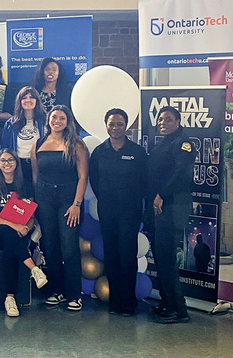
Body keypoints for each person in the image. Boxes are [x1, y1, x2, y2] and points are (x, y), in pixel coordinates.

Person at [88, 108, 148, 316]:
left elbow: (144, 182)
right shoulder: (99, 152)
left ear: (127, 126)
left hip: (130, 211)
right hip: (108, 210)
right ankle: (115, 301)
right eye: (111, 124)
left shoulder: (137, 152)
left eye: (120, 124)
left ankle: (128, 303)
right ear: (106, 125)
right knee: (111, 254)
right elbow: (94, 179)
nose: (115, 128)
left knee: (127, 255)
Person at [32, 105, 88, 311]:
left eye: (61, 118)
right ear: (48, 120)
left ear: (68, 121)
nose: (57, 120)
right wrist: (37, 203)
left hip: (68, 199)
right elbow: (36, 175)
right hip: (45, 197)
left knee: (69, 245)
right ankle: (57, 291)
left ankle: (74, 294)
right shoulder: (38, 143)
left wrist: (77, 204)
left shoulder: (77, 144)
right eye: (54, 117)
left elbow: (83, 177)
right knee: (50, 245)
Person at [0, 149, 48, 317]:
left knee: (12, 246)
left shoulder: (24, 186)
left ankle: (10, 299)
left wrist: (27, 227)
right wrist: (13, 225)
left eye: (10, 160)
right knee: (9, 233)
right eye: (3, 160)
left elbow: (31, 215)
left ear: (16, 163)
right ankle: (34, 269)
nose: (6, 163)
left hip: (17, 234)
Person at [147, 106, 194, 324]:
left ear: (178, 121)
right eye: (160, 119)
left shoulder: (183, 143)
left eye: (168, 119)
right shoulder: (163, 142)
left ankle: (178, 310)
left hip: (173, 205)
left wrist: (162, 195)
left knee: (167, 259)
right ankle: (167, 302)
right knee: (160, 257)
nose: (163, 123)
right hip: (159, 206)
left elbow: (180, 174)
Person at [1, 86, 47, 181]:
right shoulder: (10, 124)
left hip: (39, 165)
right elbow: (5, 148)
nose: (28, 100)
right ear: (19, 101)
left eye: (31, 97)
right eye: (24, 98)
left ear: (37, 100)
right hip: (18, 166)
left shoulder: (45, 121)